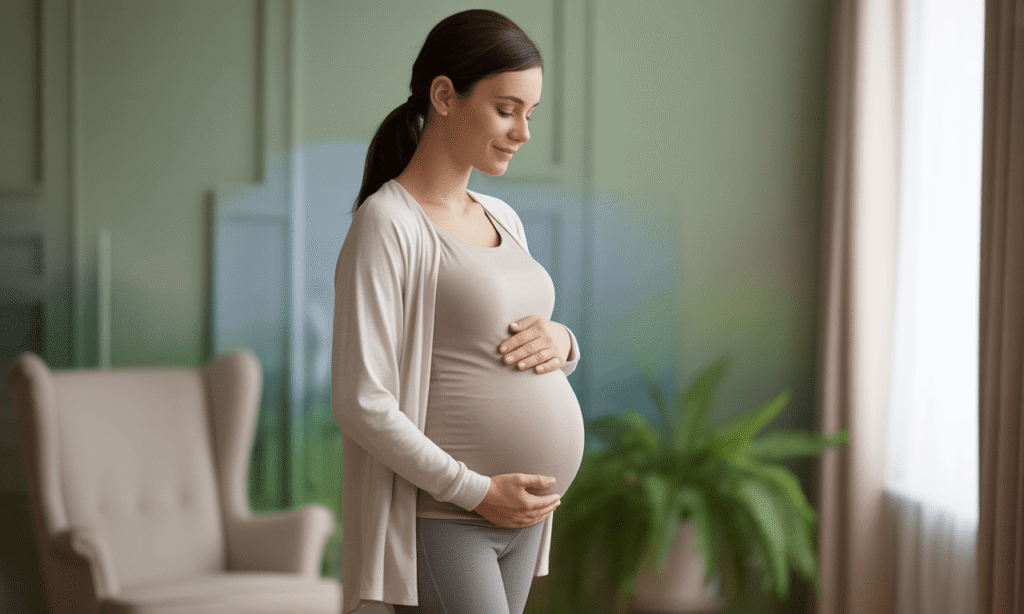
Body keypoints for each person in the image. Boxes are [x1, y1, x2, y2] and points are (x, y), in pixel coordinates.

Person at [331, 9, 585, 614]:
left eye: (530, 113)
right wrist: (476, 492)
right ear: (444, 96)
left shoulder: (503, 216)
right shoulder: (388, 223)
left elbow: (502, 338)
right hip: (447, 514)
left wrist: (563, 341)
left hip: (523, 514)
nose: (523, 132)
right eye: (506, 109)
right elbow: (360, 401)